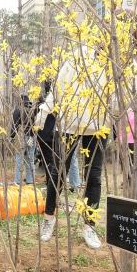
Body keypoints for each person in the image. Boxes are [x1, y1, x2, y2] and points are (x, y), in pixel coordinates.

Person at [35, 60, 107, 249]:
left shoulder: (112, 58)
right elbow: (58, 89)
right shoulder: (74, 59)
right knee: (58, 172)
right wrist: (43, 114)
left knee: (94, 176)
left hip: (99, 125)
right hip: (70, 123)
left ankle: (89, 226)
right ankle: (49, 218)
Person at [11, 94, 37, 185]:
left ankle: (17, 181)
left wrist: (11, 136)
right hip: (33, 136)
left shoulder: (18, 110)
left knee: (19, 158)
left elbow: (14, 125)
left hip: (22, 136)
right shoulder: (34, 110)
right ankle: (30, 181)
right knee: (31, 159)